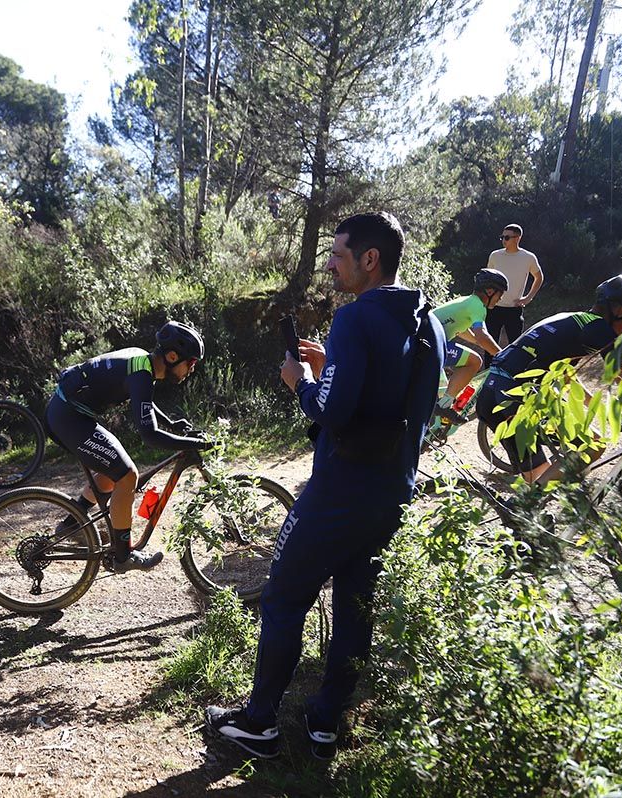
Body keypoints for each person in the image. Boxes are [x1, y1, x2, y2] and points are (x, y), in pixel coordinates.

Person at [204, 212, 444, 761]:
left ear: (370, 259)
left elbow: (334, 411)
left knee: (284, 596)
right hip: (391, 493)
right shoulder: (424, 318)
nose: (330, 265)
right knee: (356, 606)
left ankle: (259, 723)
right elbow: (408, 397)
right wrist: (331, 362)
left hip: (339, 490)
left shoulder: (355, 319)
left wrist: (302, 381)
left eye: (338, 255)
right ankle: (325, 721)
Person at [44, 321, 212, 572]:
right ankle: (123, 556)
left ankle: (72, 523)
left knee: (114, 471)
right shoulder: (141, 373)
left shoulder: (142, 363)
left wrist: (173, 424)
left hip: (68, 413)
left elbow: (143, 401)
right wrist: (192, 443)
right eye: (190, 363)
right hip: (68, 417)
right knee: (127, 475)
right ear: (173, 356)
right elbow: (150, 435)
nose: (191, 369)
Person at [476, 275, 622, 484]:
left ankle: (524, 505)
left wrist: (596, 410)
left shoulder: (570, 320)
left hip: (490, 395)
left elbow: (565, 377)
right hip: (517, 398)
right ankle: (532, 501)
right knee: (593, 445)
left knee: (538, 481)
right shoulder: (600, 330)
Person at [430, 268, 508, 423]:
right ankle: (444, 406)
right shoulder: (478, 306)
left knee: (443, 389)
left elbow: (462, 330)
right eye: (500, 294)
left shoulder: (468, 302)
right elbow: (482, 335)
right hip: (433, 343)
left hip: (429, 341)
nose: (500, 299)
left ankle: (435, 419)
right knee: (475, 361)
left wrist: (479, 341)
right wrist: (504, 355)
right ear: (490, 291)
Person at [485, 223, 544, 346]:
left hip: (514, 309)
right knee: (490, 346)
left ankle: (512, 366)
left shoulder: (528, 257)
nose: (503, 240)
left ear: (517, 238)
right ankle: (489, 366)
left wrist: (528, 297)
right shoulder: (495, 255)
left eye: (507, 237)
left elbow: (539, 277)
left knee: (515, 346)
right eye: (502, 237)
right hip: (493, 308)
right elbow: (488, 278)